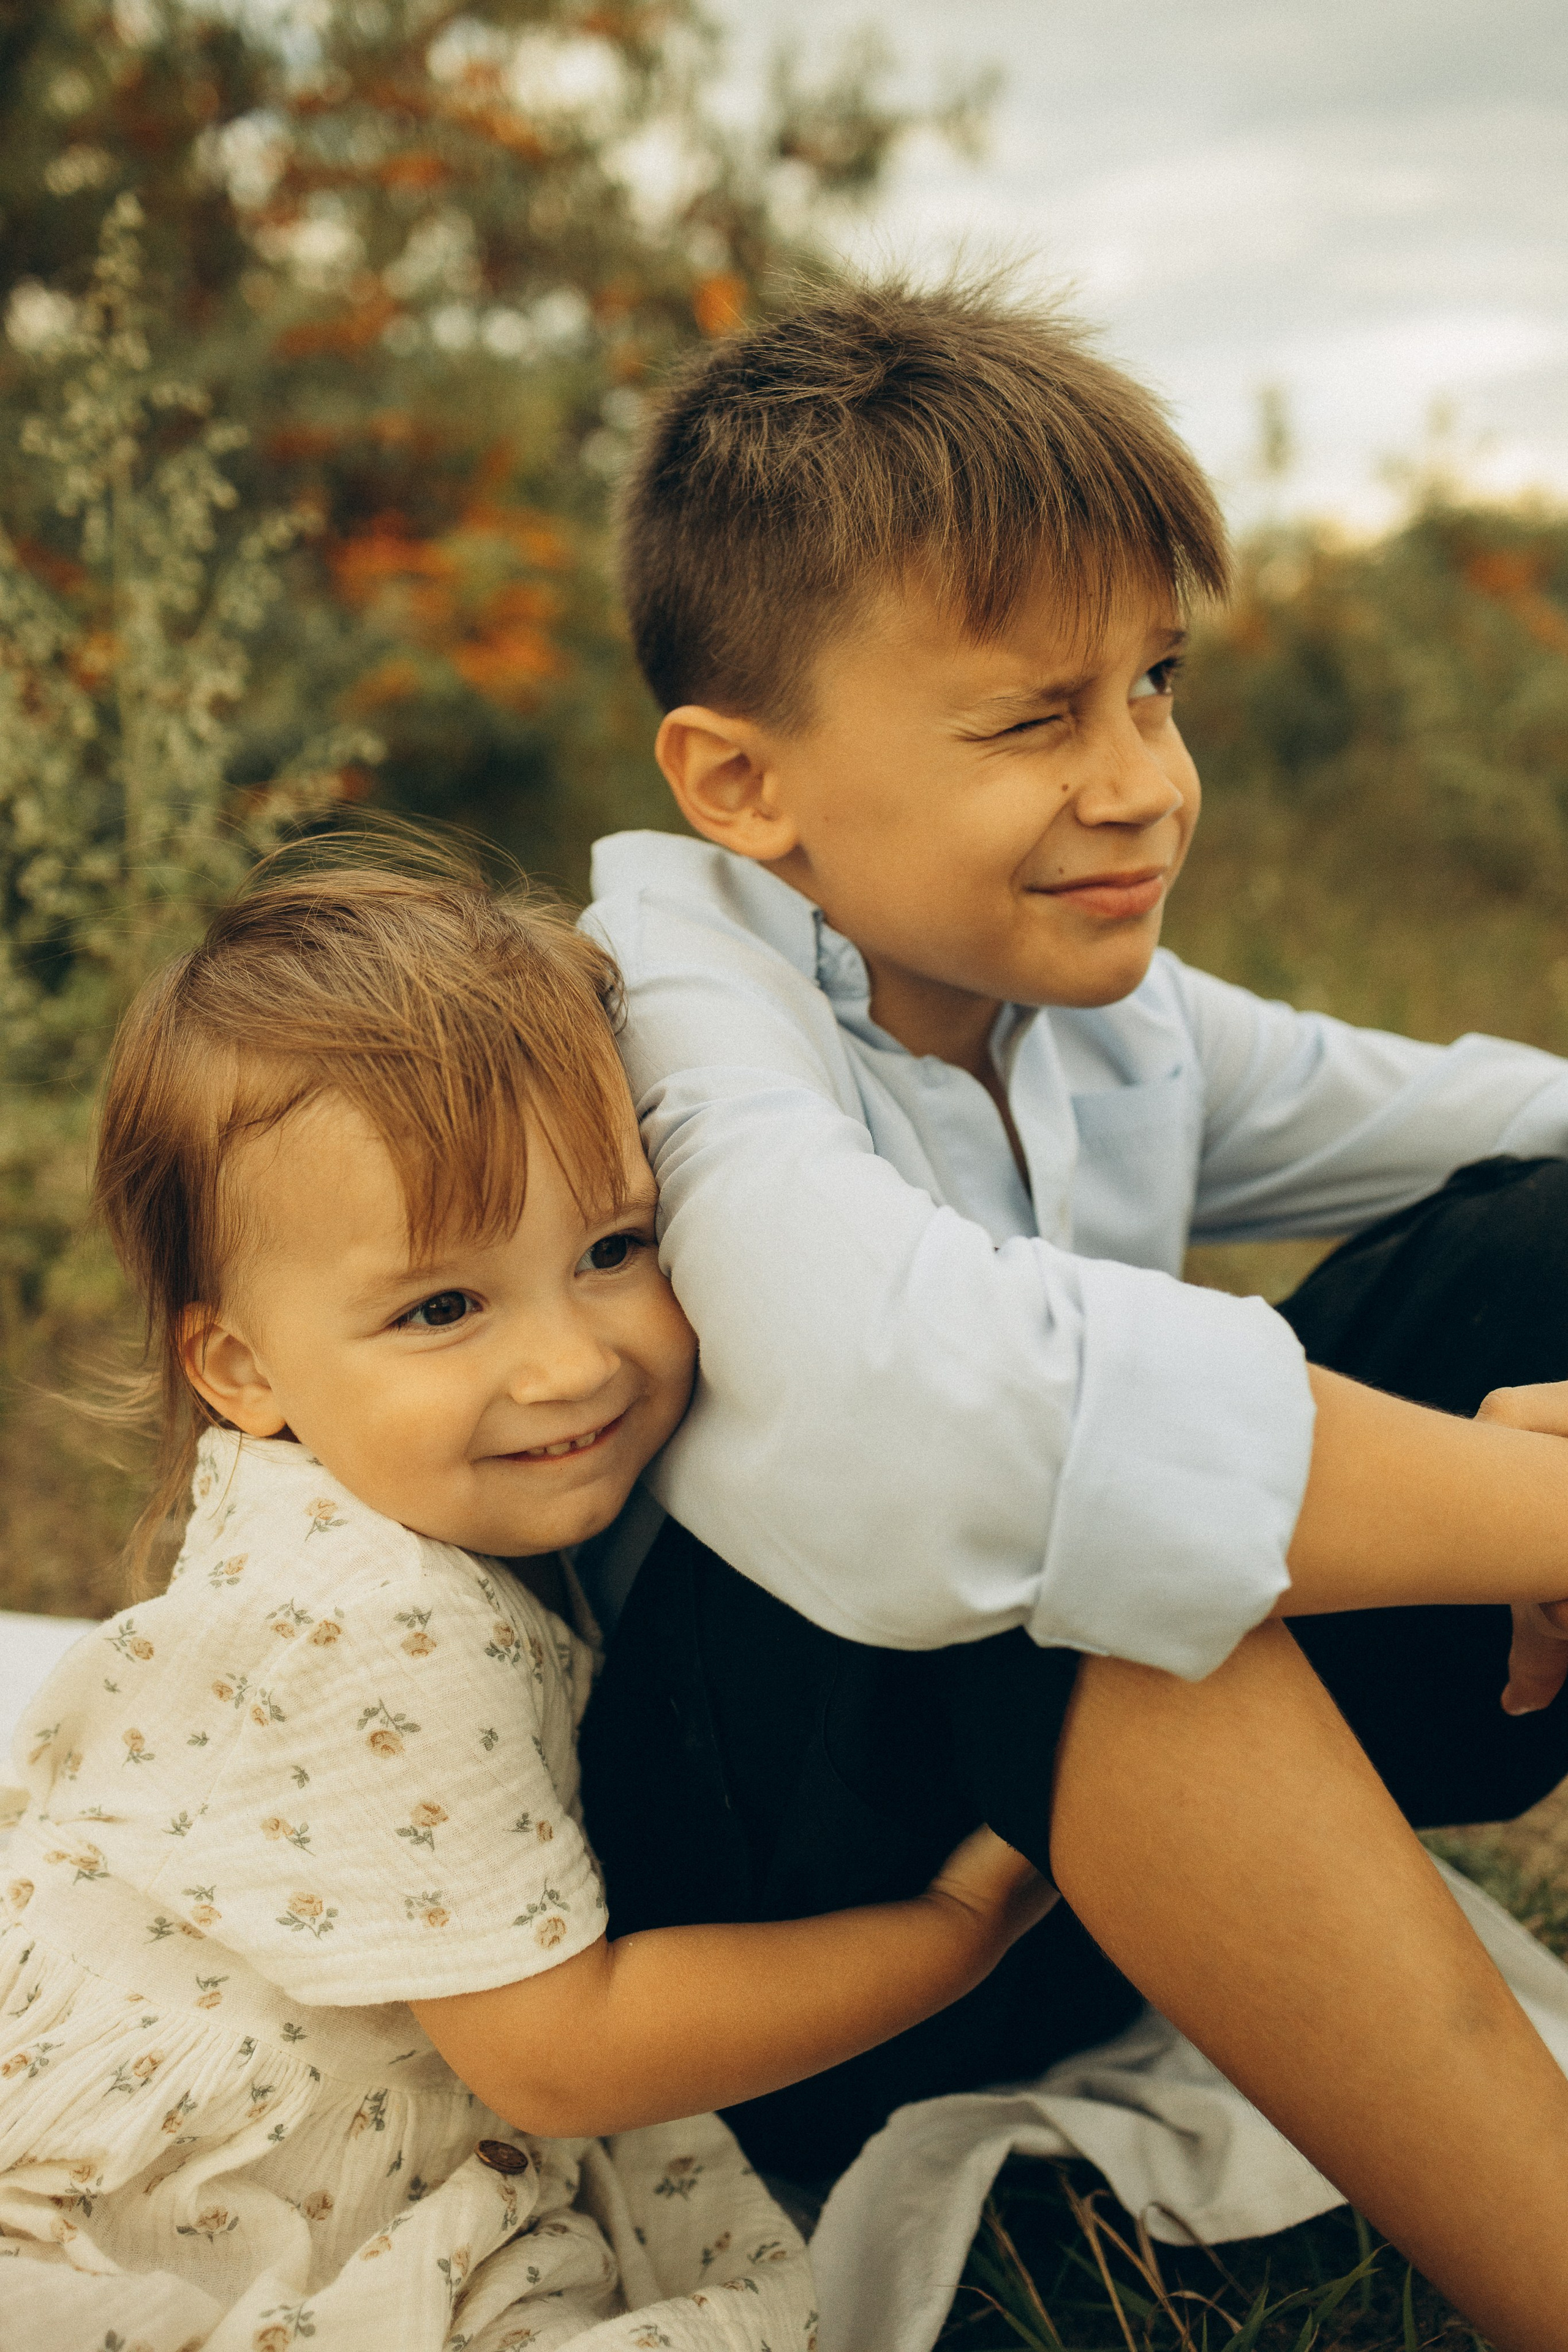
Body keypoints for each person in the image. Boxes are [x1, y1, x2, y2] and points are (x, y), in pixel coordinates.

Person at [576, 277, 1568, 2350]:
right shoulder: (667, 1027)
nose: (1139, 782)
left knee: (1538, 1236)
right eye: (1035, 719)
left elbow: (1499, 1119)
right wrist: (1527, 1511)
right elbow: (932, 1420)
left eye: (1157, 687)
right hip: (774, 1907)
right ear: (742, 786)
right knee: (1072, 1554)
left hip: (1081, 1851)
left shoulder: (1101, 1003)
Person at [0, 849, 1055, 2352]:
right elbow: (558, 2059)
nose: (570, 1364)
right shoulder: (388, 1623)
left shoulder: (385, 1488)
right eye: (441, 1307)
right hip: (169, 2173)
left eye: (612, 1250)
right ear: (240, 1370)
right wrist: (949, 1931)